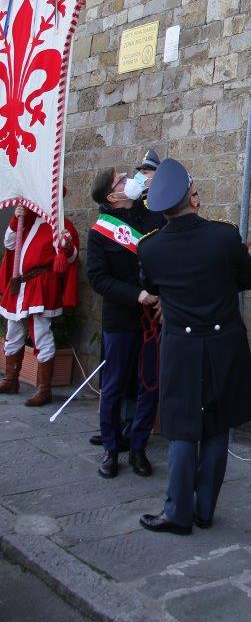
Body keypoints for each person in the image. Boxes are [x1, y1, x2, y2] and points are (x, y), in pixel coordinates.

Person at [137, 158, 251, 534]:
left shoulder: (150, 249)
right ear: (192, 196)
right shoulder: (223, 236)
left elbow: (154, 287)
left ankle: (177, 512)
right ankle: (204, 509)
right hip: (224, 343)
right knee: (217, 425)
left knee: (183, 427)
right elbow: (249, 279)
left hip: (182, 347)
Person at [87, 168, 161, 479]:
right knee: (114, 386)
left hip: (152, 319)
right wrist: (136, 295)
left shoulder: (148, 216)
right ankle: (111, 448)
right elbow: (98, 278)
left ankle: (139, 447)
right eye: (121, 179)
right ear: (112, 195)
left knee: (148, 385)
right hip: (121, 319)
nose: (129, 180)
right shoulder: (99, 231)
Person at [0, 205, 79, 406]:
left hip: (41, 285)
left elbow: (70, 258)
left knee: (41, 334)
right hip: (20, 283)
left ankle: (44, 389)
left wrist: (67, 245)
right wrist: (15, 219)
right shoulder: (27, 221)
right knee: (13, 332)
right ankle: (11, 380)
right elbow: (9, 244)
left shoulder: (62, 225)